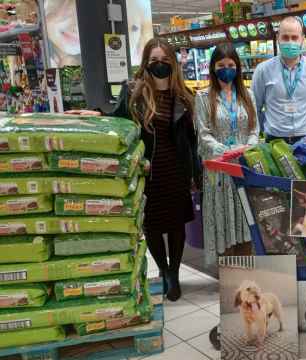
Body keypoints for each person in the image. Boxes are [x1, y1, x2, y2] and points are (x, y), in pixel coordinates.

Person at [67, 38, 199, 302]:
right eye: (154, 61)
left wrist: (195, 173)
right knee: (152, 225)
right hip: (147, 170)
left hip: (176, 171)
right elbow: (118, 120)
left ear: (172, 63)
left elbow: (190, 138)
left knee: (175, 226)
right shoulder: (134, 91)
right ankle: (162, 269)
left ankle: (173, 274)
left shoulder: (184, 95)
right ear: (146, 64)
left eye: (164, 61)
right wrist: (96, 115)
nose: (159, 65)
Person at [195, 43, 259, 272]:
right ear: (213, 68)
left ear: (238, 67)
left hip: (244, 169)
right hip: (219, 174)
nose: (226, 70)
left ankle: (246, 272)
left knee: (246, 221)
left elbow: (254, 130)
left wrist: (246, 149)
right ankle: (229, 277)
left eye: (231, 65)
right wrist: (226, 152)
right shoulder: (203, 97)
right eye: (221, 65)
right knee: (224, 223)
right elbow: (203, 135)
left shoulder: (247, 95)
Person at [252, 16, 306, 145]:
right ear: (278, 38)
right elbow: (255, 107)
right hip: (275, 140)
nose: (290, 42)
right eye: (285, 37)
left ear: (302, 39)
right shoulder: (263, 70)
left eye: (294, 37)